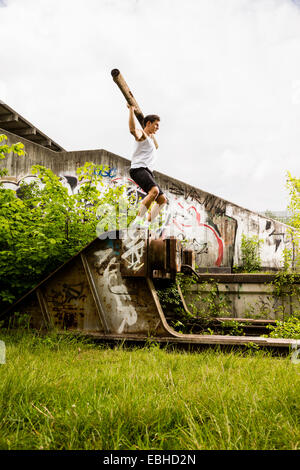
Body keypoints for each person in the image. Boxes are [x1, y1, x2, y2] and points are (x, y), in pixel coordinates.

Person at [127, 104, 167, 227]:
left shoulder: (151, 139)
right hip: (138, 169)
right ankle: (138, 220)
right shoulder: (142, 135)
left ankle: (146, 224)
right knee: (154, 191)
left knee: (162, 200)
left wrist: (152, 132)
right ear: (148, 123)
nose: (158, 128)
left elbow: (157, 145)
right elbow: (133, 130)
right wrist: (131, 111)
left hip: (148, 171)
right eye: (156, 125)